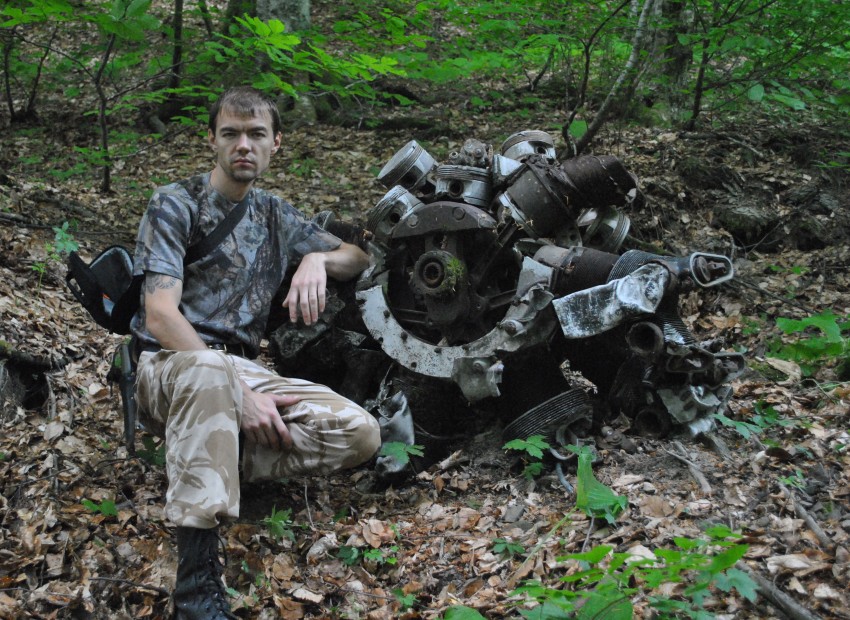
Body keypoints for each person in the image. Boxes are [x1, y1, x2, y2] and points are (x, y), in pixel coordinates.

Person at [130, 86, 381, 620]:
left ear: (275, 145)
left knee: (359, 431)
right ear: (213, 141)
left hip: (240, 370)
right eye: (231, 134)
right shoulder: (175, 202)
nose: (243, 145)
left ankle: (208, 456)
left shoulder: (274, 214)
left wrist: (316, 259)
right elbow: (159, 314)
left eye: (256, 135)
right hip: (169, 365)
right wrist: (237, 390)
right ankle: (196, 587)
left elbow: (357, 256)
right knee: (207, 372)